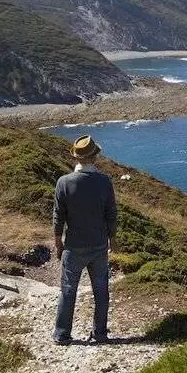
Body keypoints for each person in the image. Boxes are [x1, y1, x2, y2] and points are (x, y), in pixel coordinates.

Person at [52, 135, 117, 345]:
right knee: (101, 290)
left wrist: (58, 243)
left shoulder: (64, 182)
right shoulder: (104, 182)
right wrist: (112, 240)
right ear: (95, 157)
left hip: (73, 246)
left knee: (68, 290)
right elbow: (111, 214)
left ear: (76, 157)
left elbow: (58, 216)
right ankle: (100, 334)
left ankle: (62, 334)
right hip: (99, 246)